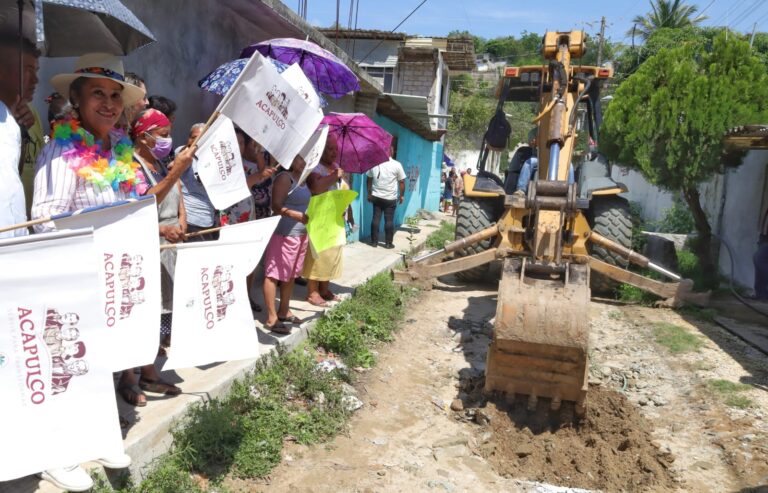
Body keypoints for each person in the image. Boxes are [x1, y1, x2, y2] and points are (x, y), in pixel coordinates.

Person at [30, 52, 172, 492]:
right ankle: (56, 453)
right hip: (71, 275)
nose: (109, 103)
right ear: (76, 98)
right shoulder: (61, 149)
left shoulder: (121, 152)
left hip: (109, 276)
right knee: (64, 366)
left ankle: (96, 434)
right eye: (98, 94)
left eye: (115, 95)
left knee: (99, 363)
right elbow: (46, 219)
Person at [130, 108, 189, 368]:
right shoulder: (132, 166)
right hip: (150, 242)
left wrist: (181, 220)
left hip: (170, 243)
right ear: (144, 137)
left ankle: (162, 345)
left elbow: (176, 193)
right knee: (151, 302)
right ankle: (145, 362)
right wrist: (162, 230)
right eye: (163, 135)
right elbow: (140, 209)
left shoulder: (159, 163)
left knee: (170, 297)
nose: (168, 140)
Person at [262, 155, 310, 334]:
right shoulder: (285, 178)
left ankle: (284, 310)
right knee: (273, 274)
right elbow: (276, 206)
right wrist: (294, 215)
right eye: (299, 158)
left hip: (300, 235)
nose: (303, 161)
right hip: (284, 233)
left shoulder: (303, 180)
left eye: (304, 159)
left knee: (290, 275)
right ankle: (272, 317)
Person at [304, 135, 345, 306]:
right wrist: (335, 176)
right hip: (319, 219)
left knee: (331, 254)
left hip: (334, 219)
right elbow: (316, 188)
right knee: (317, 256)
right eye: (330, 148)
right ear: (321, 150)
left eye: (336, 149)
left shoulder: (335, 167)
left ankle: (324, 289)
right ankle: (313, 292)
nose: (334, 152)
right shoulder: (315, 168)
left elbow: (341, 189)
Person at [0, 35, 34, 239]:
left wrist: (22, 130)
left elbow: (14, 173)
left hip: (15, 241)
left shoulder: (8, 115)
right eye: (28, 70)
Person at [179, 123, 218, 242]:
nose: (196, 142)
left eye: (202, 138)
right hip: (189, 220)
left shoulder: (216, 160)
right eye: (193, 137)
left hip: (208, 220)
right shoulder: (182, 154)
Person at [366, 144, 406, 249]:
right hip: (390, 198)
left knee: (376, 219)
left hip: (376, 197)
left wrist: (369, 193)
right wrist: (402, 196)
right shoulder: (397, 165)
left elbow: (369, 179)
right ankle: (388, 244)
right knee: (389, 220)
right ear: (391, 152)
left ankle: (374, 242)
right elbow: (401, 182)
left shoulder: (374, 164)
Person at [753, 208, 768, 300]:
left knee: (759, 258)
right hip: (765, 238)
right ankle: (761, 294)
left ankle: (761, 293)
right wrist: (762, 237)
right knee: (758, 259)